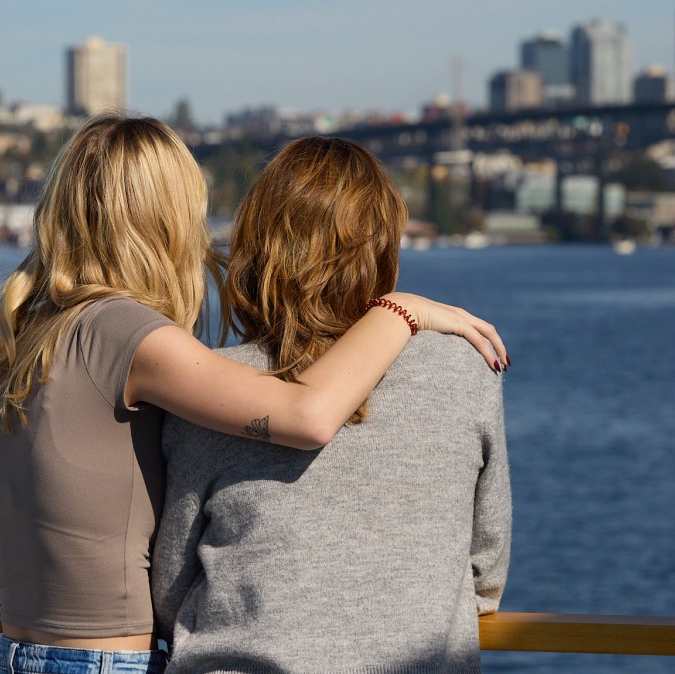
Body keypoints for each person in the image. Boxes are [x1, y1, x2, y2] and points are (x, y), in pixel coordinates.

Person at [0, 116, 508, 674]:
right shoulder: (127, 334)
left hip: (24, 653)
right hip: (101, 661)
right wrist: (401, 311)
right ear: (163, 219)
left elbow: (171, 575)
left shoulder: (40, 330)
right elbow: (307, 414)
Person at [151, 137, 512, 673]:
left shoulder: (214, 386)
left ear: (258, 248)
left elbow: (170, 589)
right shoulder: (464, 369)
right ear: (383, 248)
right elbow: (487, 571)